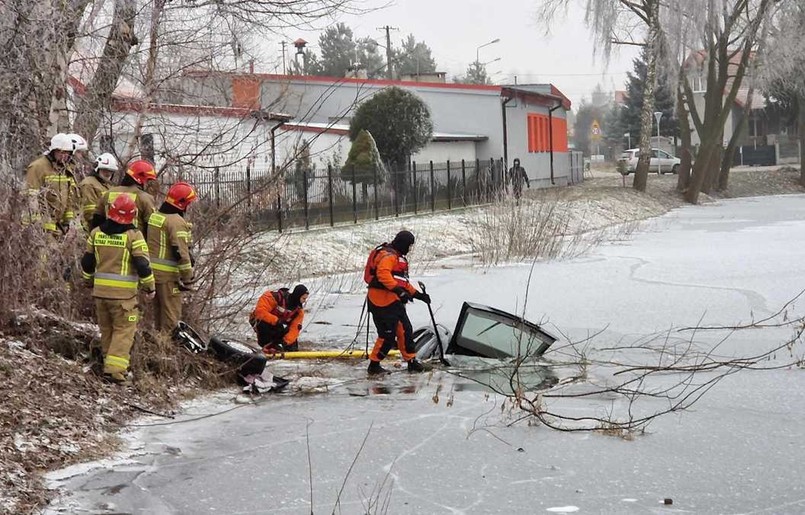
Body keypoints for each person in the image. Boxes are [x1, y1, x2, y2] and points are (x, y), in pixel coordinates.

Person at [80, 194, 156, 384]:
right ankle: (115, 372)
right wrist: (150, 287)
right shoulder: (134, 235)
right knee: (123, 332)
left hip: (100, 294)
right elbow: (142, 265)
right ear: (133, 215)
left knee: (107, 330)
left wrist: (88, 281)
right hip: (124, 297)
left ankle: (109, 364)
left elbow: (87, 262)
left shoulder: (96, 233)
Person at [364, 230, 431, 375]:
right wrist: (398, 291)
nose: (410, 249)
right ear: (403, 244)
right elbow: (383, 274)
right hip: (382, 301)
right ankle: (374, 365)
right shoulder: (389, 256)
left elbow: (402, 282)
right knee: (387, 335)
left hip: (392, 301)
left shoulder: (396, 257)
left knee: (405, 330)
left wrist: (418, 295)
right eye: (409, 246)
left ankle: (411, 361)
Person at [147, 181, 197, 334]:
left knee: (158, 319)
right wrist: (188, 278)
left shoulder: (156, 216)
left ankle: (158, 348)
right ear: (182, 203)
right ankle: (167, 351)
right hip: (168, 277)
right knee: (170, 321)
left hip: (153, 275)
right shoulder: (176, 222)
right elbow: (181, 253)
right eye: (188, 203)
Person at [23, 133, 80, 237]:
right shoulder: (38, 167)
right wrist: (37, 222)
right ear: (53, 151)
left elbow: (69, 197)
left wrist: (67, 222)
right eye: (61, 152)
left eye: (67, 153)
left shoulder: (65, 169)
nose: (64, 156)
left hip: (57, 227)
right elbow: (31, 196)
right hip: (39, 226)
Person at [92, 159, 157, 236]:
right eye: (147, 180)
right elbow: (151, 228)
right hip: (134, 244)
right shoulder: (145, 198)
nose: (147, 184)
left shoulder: (108, 193)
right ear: (141, 179)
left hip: (106, 244)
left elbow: (96, 220)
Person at [249, 285, 309, 353]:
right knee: (264, 325)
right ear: (298, 296)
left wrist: (285, 342)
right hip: (261, 321)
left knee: (292, 348)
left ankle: (277, 345)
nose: (304, 301)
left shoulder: (298, 312)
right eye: (303, 298)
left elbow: (295, 329)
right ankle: (267, 345)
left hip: (279, 326)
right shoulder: (274, 297)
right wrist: (276, 321)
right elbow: (260, 312)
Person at [79, 153, 118, 229]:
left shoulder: (109, 185)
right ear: (98, 169)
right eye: (105, 170)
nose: (108, 173)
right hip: (92, 227)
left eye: (111, 171)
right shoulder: (88, 184)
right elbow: (89, 212)